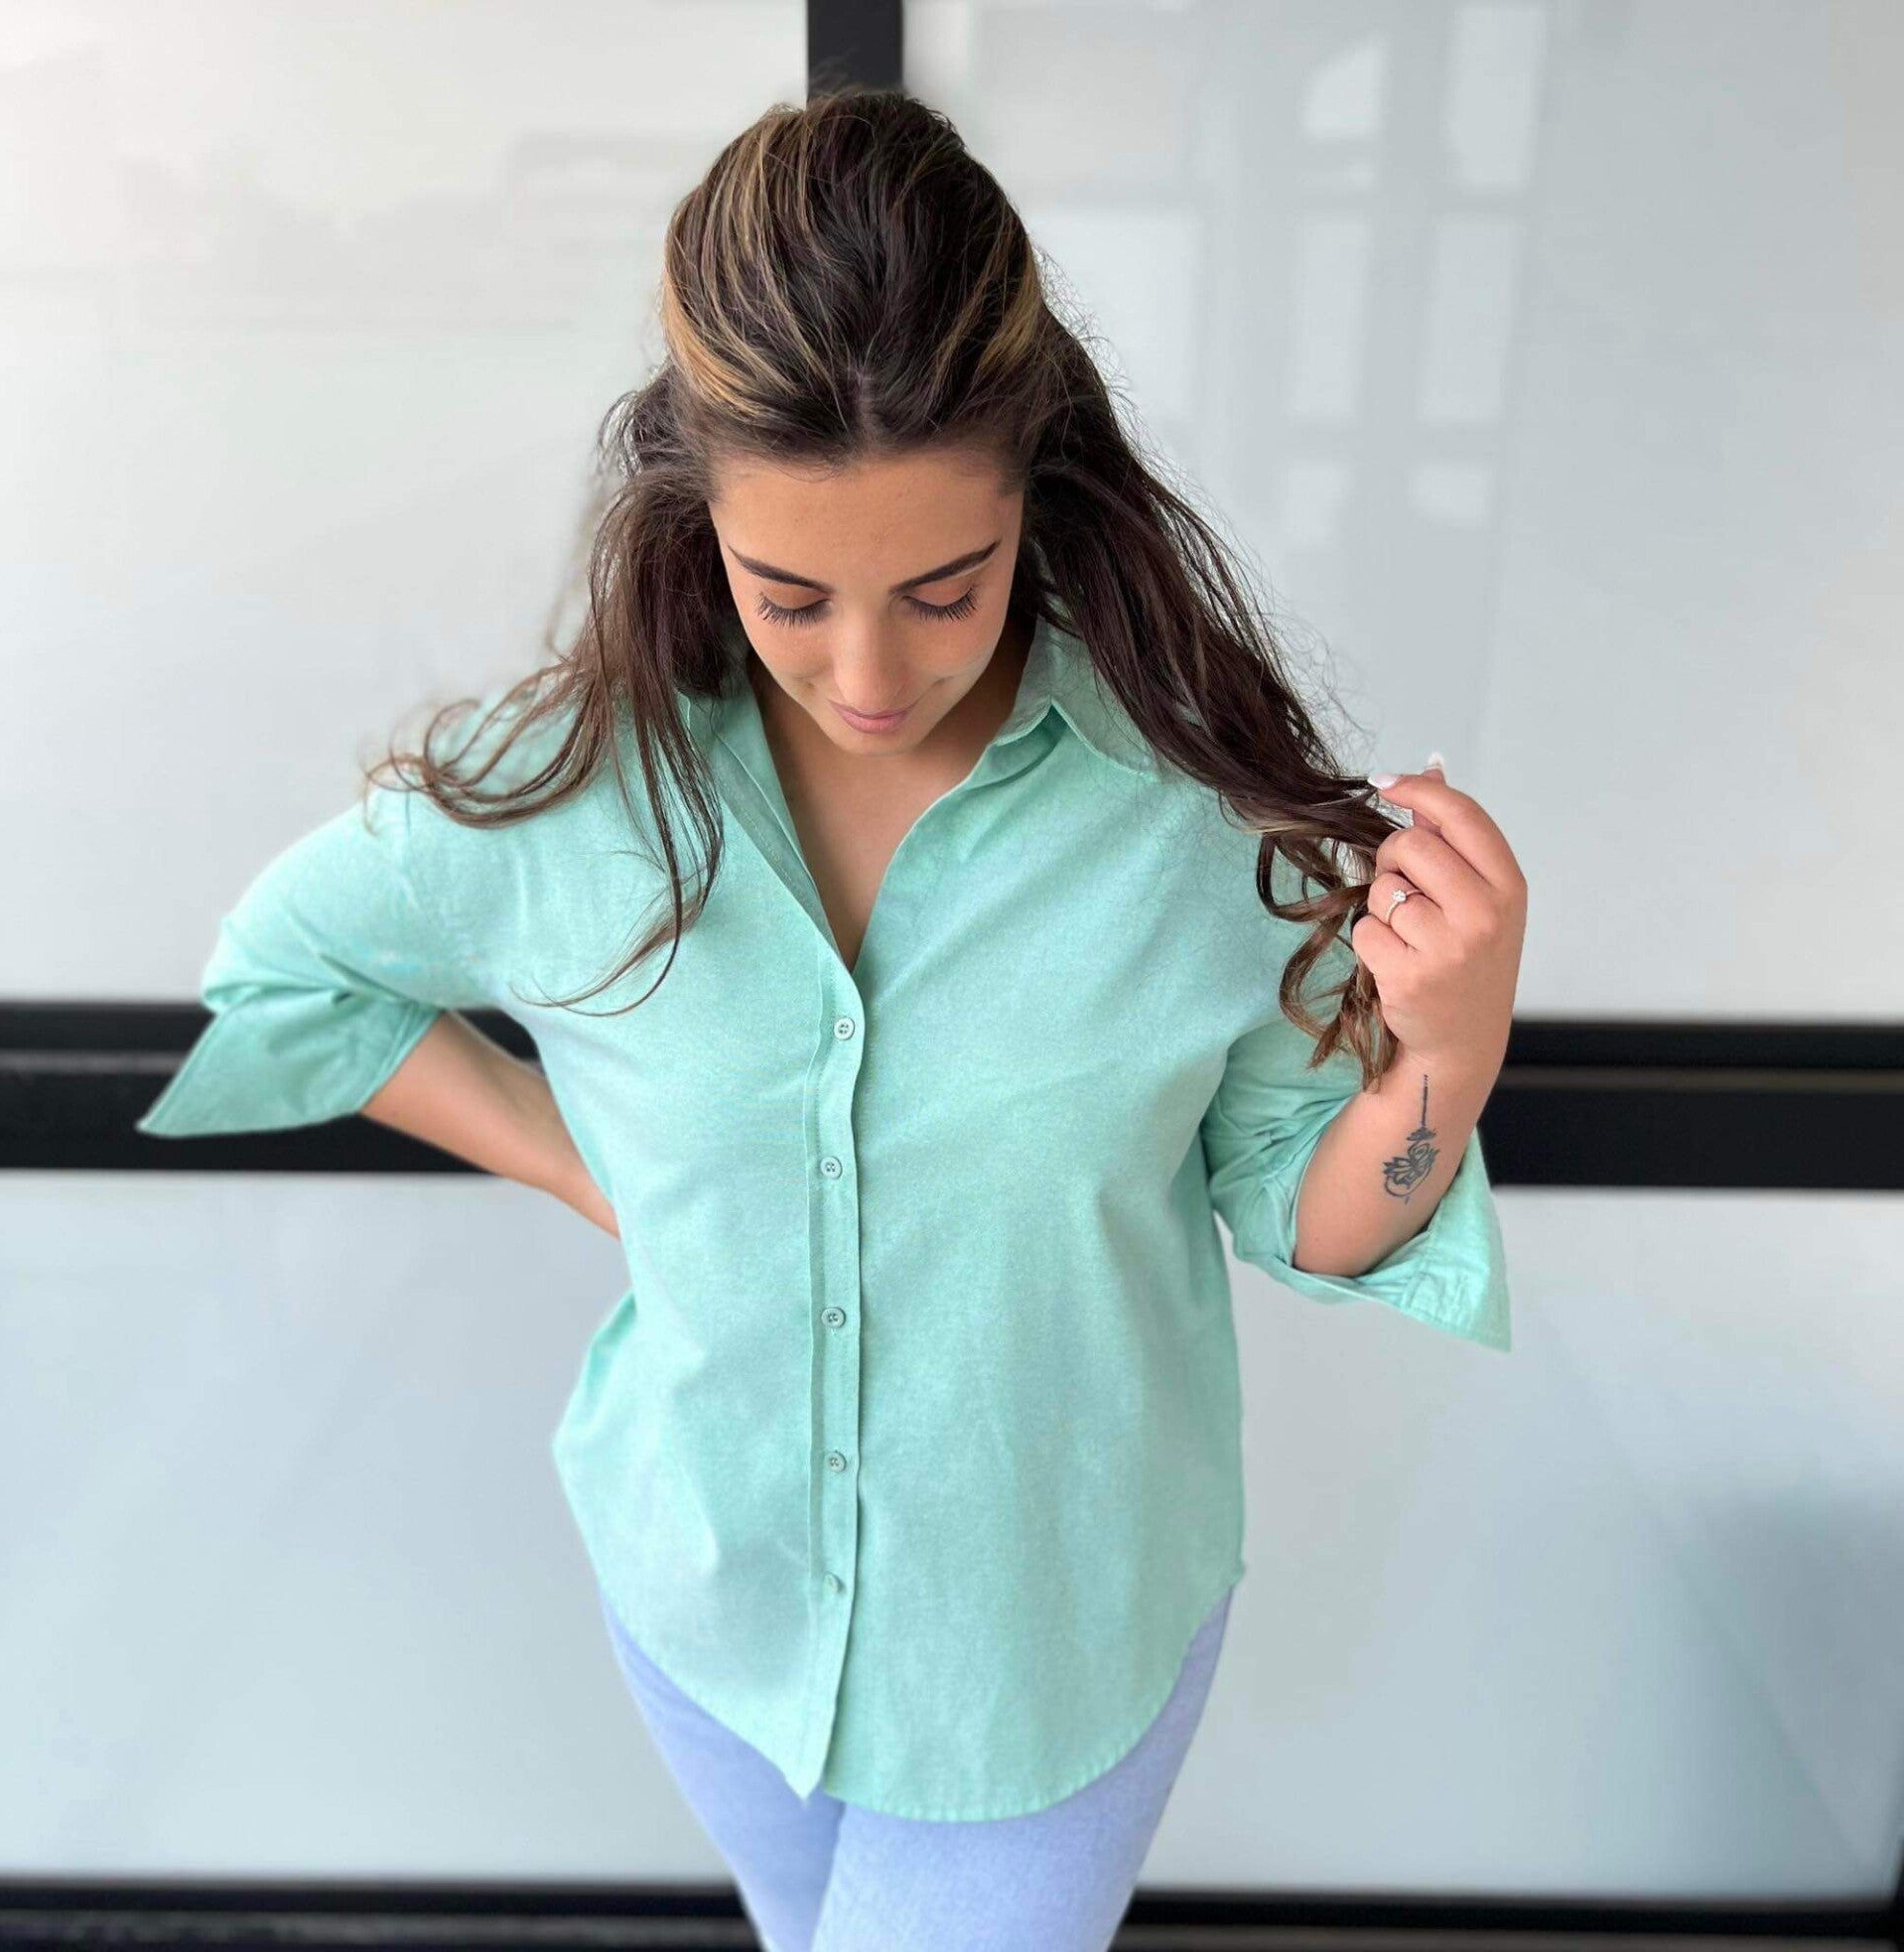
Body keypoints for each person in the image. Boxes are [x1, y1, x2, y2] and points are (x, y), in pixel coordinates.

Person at [136, 86, 1526, 1952]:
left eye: (946, 591)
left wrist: (1451, 1046)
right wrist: (594, 1171)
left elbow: (1307, 1207)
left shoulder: (1187, 817)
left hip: (1046, 1664)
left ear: (1037, 489)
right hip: (709, 1611)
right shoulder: (577, 793)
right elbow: (286, 974)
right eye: (787, 594)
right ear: (693, 509)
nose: (869, 672)